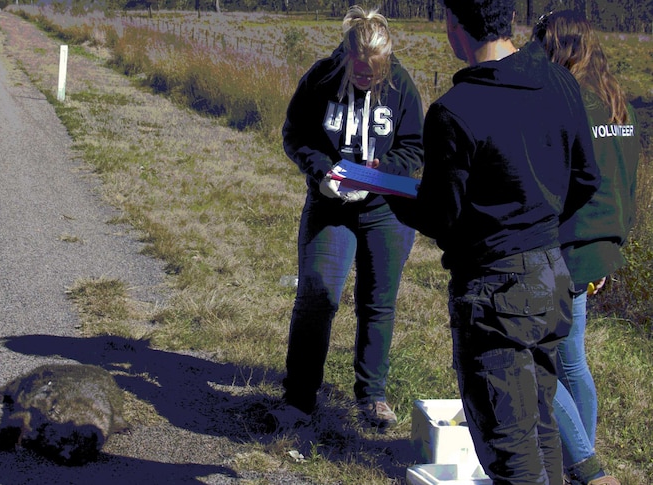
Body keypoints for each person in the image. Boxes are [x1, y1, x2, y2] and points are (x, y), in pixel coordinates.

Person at [381, 0, 600, 483]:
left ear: (455, 26)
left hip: (494, 293)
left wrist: (389, 193)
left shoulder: (456, 111)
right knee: (541, 426)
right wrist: (538, 221)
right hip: (551, 279)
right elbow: (587, 177)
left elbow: (440, 216)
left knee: (512, 451)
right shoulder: (559, 82)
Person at [273, 5, 424, 430]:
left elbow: (415, 147)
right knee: (317, 296)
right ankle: (300, 398)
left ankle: (372, 396)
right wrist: (321, 172)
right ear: (347, 54)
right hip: (330, 205)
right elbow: (295, 134)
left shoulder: (401, 86)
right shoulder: (320, 78)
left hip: (385, 211)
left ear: (386, 63)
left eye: (375, 74)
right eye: (360, 72)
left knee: (378, 303)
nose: (367, 80)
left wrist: (385, 171)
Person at [533, 10, 640, 485]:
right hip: (603, 240)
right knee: (572, 357)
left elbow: (558, 182)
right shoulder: (619, 104)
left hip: (569, 243)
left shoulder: (568, 101)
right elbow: (627, 180)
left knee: (538, 356)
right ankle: (582, 460)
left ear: (558, 47)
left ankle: (588, 469)